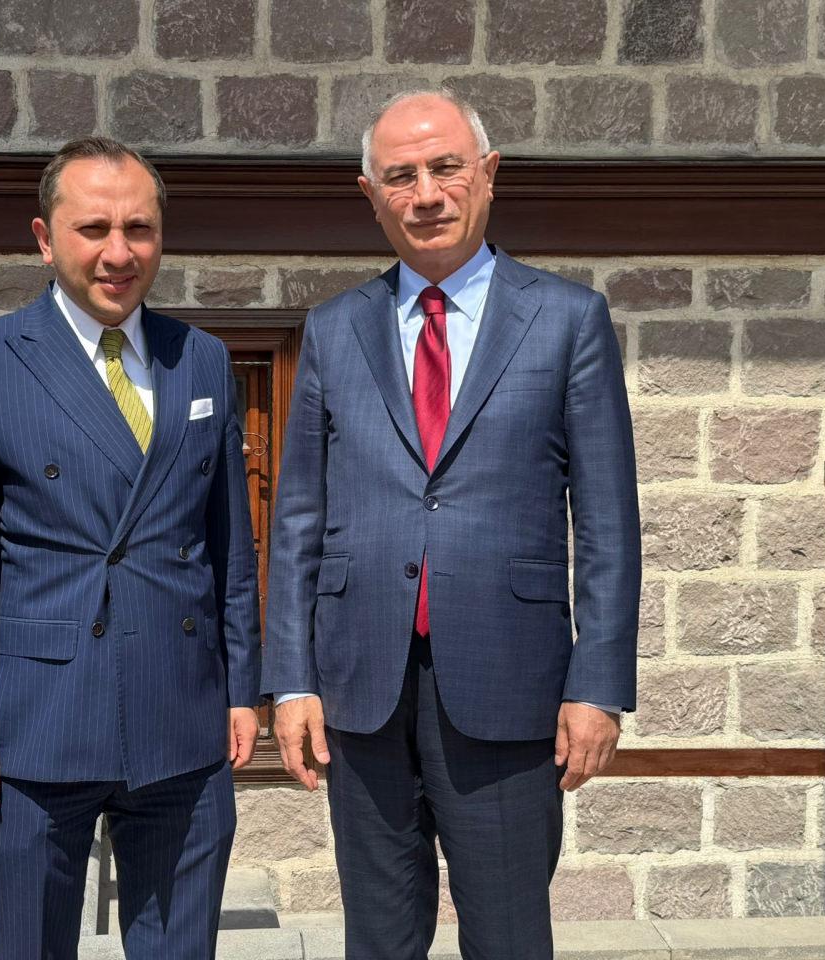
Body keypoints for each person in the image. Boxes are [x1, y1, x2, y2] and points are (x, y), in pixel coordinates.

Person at [263, 90, 641, 960]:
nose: (427, 194)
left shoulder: (567, 320)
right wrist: (291, 680)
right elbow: (299, 520)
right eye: (401, 177)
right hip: (362, 689)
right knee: (379, 938)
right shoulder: (334, 329)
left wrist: (597, 686)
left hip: (509, 689)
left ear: (489, 174)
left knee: (507, 937)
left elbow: (608, 525)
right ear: (371, 195)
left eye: (446, 168)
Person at [0, 136, 261, 960]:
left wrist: (242, 688)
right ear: (45, 238)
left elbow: (227, 543)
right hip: (40, 724)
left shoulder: (201, 359)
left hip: (181, 716)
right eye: (94, 228)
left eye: (139, 229)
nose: (118, 253)